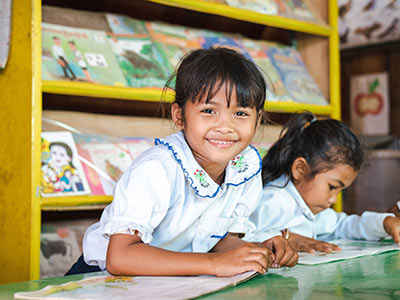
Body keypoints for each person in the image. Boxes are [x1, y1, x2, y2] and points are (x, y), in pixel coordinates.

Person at [65, 47, 298, 276]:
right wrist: (215, 264)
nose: (225, 127)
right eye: (208, 110)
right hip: (100, 278)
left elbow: (219, 241)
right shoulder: (157, 169)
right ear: (179, 116)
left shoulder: (244, 170)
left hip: (166, 282)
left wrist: (257, 251)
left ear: (257, 122)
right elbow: (120, 258)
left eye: (240, 114)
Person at [244, 112, 400, 252]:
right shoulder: (274, 201)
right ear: (300, 169)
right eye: (332, 187)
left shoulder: (310, 207)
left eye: (340, 191)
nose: (333, 199)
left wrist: (384, 223)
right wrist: (285, 238)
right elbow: (237, 239)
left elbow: (342, 225)